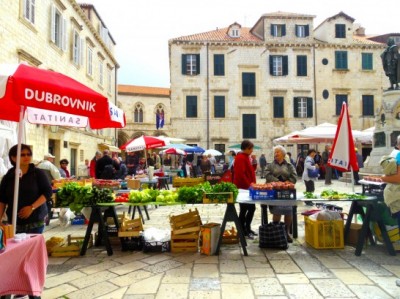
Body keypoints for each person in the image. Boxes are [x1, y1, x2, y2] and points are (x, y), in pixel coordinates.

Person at [0, 144, 52, 234]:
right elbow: (2, 200)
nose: (26, 156)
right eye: (22, 155)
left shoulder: (38, 173)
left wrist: (32, 207)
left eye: (29, 154)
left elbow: (47, 192)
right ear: (13, 158)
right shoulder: (8, 177)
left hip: (35, 221)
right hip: (14, 223)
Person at [265, 145, 297, 242]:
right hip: (274, 191)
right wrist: (276, 182)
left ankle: (286, 232)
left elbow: (294, 176)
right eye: (275, 152)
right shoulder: (270, 165)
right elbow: (267, 174)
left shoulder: (289, 165)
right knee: (277, 209)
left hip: (287, 192)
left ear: (283, 154)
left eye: (278, 152)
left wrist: (287, 182)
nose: (276, 154)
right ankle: (276, 231)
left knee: (289, 209)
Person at [233, 140, 257, 239]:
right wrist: (249, 185)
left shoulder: (246, 157)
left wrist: (254, 162)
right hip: (243, 188)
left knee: (247, 209)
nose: (252, 150)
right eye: (251, 148)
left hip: (248, 187)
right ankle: (243, 229)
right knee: (247, 209)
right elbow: (241, 174)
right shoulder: (240, 158)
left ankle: (246, 228)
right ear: (246, 148)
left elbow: (250, 170)